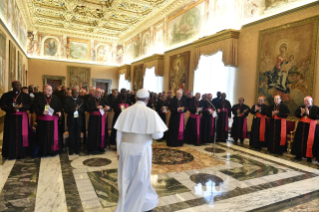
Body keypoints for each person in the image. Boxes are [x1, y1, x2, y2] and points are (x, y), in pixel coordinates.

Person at [114, 89, 167, 212]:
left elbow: (119, 134)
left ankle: (126, 203)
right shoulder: (150, 112)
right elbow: (157, 136)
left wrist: (118, 152)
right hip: (142, 149)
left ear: (135, 98)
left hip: (125, 148)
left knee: (126, 177)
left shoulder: (125, 111)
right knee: (141, 177)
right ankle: (138, 204)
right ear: (148, 99)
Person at [0, 81, 32, 159]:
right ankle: (10, 153)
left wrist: (22, 107)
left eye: (19, 85)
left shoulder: (25, 96)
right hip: (10, 119)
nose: (18, 86)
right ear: (12, 86)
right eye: (16, 85)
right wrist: (13, 108)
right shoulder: (6, 95)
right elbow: (2, 106)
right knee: (10, 135)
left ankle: (22, 153)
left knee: (22, 136)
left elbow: (30, 105)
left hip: (22, 118)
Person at [33, 85, 62, 156]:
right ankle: (43, 151)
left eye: (50, 90)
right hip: (42, 122)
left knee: (52, 136)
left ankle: (52, 151)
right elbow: (35, 109)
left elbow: (60, 109)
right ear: (44, 90)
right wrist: (41, 112)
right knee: (42, 137)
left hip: (52, 122)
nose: (49, 91)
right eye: (47, 90)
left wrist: (59, 112)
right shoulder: (39, 98)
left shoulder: (56, 99)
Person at [292, 96, 319, 161]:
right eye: (305, 101)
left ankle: (309, 157)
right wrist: (301, 113)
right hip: (301, 127)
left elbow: (317, 116)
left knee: (311, 142)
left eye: (307, 101)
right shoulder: (301, 107)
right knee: (299, 140)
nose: (306, 103)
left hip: (311, 128)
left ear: (311, 101)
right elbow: (296, 114)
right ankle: (299, 155)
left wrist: (308, 114)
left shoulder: (316, 108)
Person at [86, 88, 111, 153]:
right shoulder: (90, 100)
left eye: (100, 92)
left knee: (101, 133)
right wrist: (96, 107)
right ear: (94, 93)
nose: (99, 94)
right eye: (97, 92)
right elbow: (87, 109)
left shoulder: (104, 100)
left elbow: (109, 108)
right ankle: (92, 148)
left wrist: (108, 108)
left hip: (101, 120)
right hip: (93, 119)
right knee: (92, 133)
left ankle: (101, 147)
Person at [64, 88, 85, 155]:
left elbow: (84, 110)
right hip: (71, 120)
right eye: (75, 93)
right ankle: (71, 150)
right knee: (71, 136)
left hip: (79, 120)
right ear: (72, 93)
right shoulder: (68, 100)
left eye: (77, 93)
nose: (76, 94)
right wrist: (73, 109)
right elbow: (66, 110)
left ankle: (77, 149)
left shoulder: (81, 100)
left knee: (77, 136)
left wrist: (79, 109)